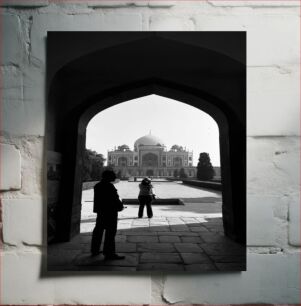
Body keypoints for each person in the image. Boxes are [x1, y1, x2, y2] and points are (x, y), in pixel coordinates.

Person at [90, 169, 125, 260]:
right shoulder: (109, 186)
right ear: (108, 176)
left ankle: (95, 250)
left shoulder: (98, 185)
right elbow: (114, 199)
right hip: (110, 212)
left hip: (101, 212)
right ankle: (109, 253)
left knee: (98, 230)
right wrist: (120, 206)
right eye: (113, 175)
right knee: (110, 233)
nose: (115, 177)